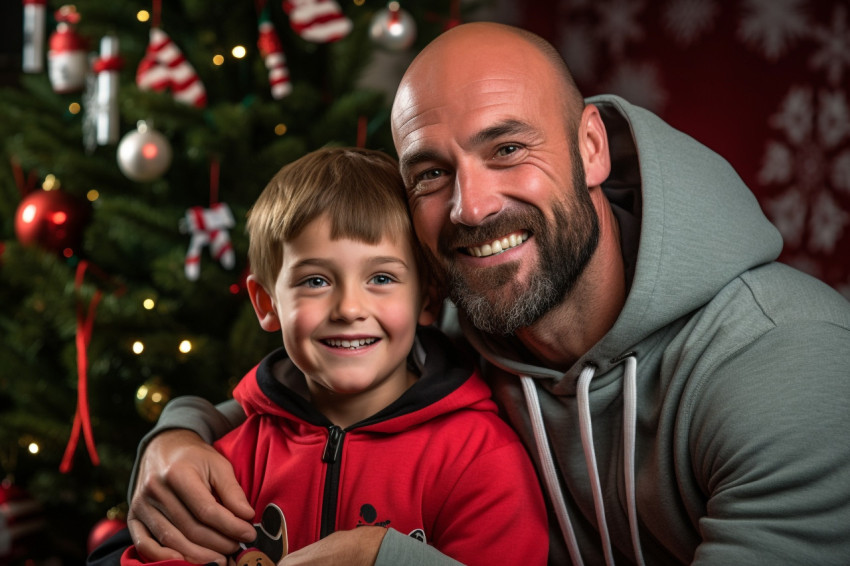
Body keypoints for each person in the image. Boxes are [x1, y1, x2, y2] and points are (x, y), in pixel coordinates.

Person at [114, 22, 850, 566]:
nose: (470, 206)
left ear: (590, 146)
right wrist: (177, 437)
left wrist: (383, 559)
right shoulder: (474, 337)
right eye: (430, 172)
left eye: (507, 148)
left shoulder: (792, 362)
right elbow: (303, 406)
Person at [92, 147, 548, 566]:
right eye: (315, 281)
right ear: (267, 303)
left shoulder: (479, 458)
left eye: (382, 278)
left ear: (427, 300)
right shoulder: (230, 458)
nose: (349, 309)